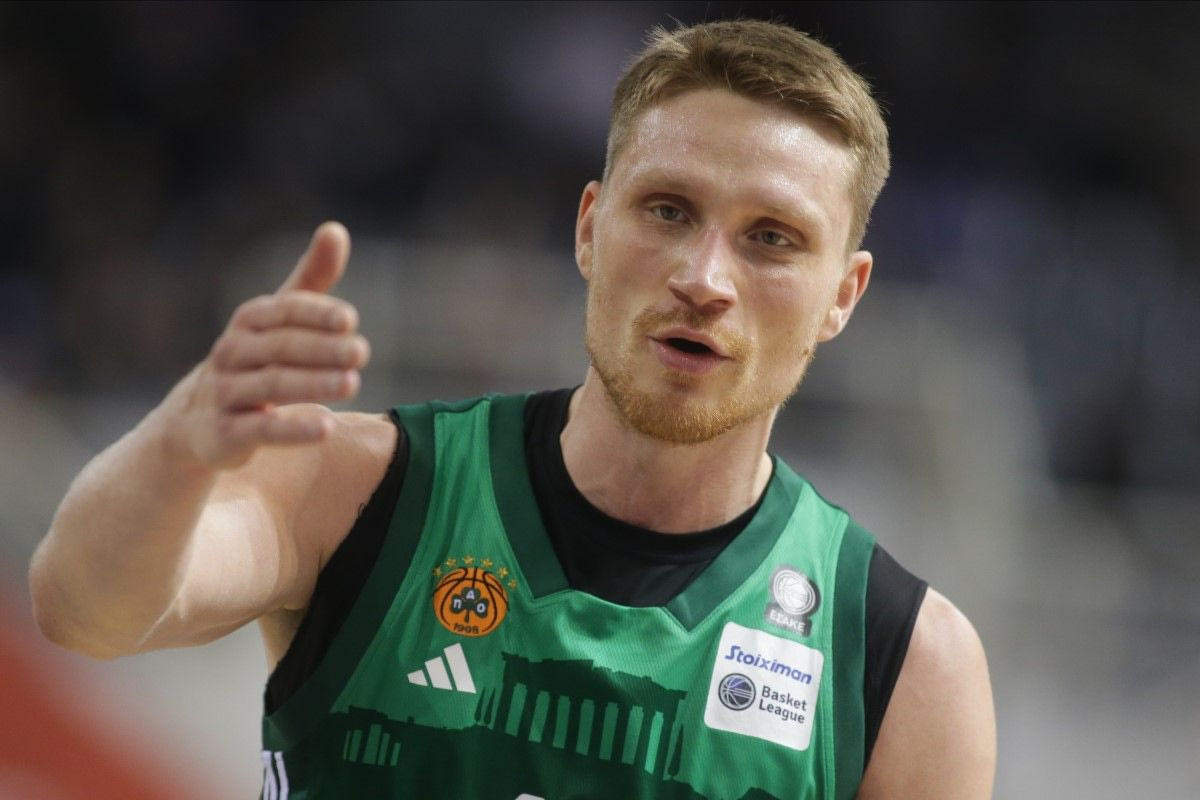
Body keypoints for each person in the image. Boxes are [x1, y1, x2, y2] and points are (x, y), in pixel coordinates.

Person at [30, 18, 995, 800]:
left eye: (772, 238)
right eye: (667, 210)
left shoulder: (906, 663)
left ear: (842, 296)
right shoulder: (360, 489)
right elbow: (84, 611)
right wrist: (179, 447)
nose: (704, 278)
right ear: (590, 228)